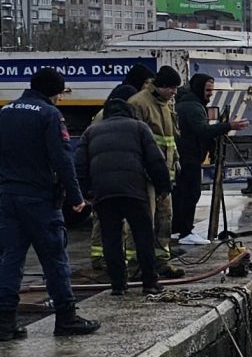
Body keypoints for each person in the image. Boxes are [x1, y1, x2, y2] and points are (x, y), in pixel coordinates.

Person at [0, 67, 100, 341]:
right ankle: (66, 316)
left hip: (8, 198)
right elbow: (62, 160)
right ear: (54, 91)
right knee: (55, 259)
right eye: (60, 93)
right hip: (39, 201)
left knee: (10, 260)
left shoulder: (4, 113)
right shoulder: (50, 115)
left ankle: (6, 323)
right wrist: (76, 198)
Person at [74, 98, 169, 296]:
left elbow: (80, 166)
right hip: (133, 191)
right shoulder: (139, 128)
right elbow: (155, 160)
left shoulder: (91, 132)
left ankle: (118, 285)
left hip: (104, 193)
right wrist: (163, 188)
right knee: (143, 236)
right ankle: (150, 283)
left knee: (111, 238)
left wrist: (83, 193)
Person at [172, 73, 231, 246]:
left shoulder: (188, 104)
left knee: (181, 194)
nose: (210, 94)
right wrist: (228, 126)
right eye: (207, 90)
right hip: (188, 157)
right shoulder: (193, 107)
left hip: (185, 157)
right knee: (191, 193)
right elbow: (202, 131)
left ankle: (177, 229)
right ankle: (185, 232)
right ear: (198, 88)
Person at [126, 65, 182, 244]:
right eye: (171, 88)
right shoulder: (138, 103)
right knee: (145, 218)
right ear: (161, 85)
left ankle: (161, 259)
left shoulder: (165, 104)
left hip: (164, 174)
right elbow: (134, 141)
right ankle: (139, 261)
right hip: (145, 174)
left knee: (164, 218)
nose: (174, 92)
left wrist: (176, 162)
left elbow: (170, 138)